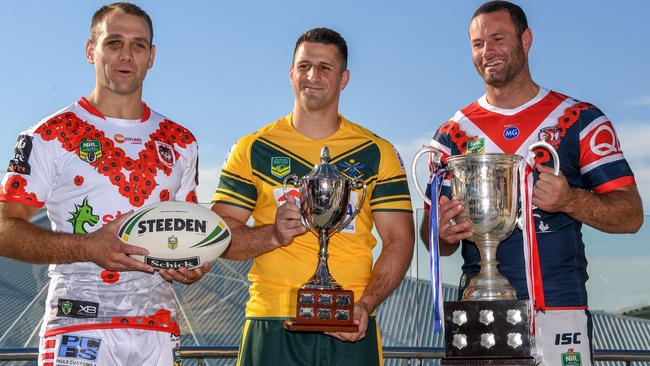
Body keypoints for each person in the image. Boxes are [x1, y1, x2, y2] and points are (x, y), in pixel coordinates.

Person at [423, 1, 643, 365]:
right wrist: (441, 234)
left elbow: (631, 215)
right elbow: (435, 243)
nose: (487, 52)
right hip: (480, 311)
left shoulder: (580, 120)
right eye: (478, 44)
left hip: (560, 310)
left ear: (526, 39)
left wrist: (571, 200)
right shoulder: (452, 135)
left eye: (498, 39)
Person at [0, 3, 210, 365]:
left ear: (152, 56)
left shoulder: (181, 141)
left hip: (158, 331)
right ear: (90, 50)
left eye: (138, 45)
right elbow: (4, 228)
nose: (126, 55)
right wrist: (87, 246)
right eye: (113, 43)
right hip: (77, 325)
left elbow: (186, 237)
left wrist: (193, 264)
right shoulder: (49, 134)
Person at [211, 27, 414, 366]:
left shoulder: (377, 152)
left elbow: (399, 240)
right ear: (291, 73)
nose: (312, 76)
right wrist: (273, 235)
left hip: (350, 319)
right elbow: (219, 237)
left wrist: (365, 304)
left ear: (343, 79)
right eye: (304, 66)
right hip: (272, 318)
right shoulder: (254, 148)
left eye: (324, 67)